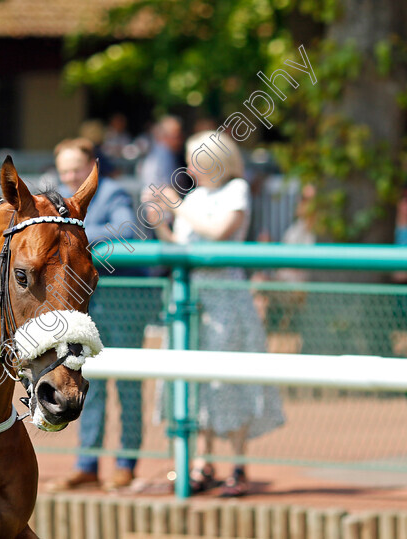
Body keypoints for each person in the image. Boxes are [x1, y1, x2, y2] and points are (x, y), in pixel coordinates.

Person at [152, 131, 285, 497]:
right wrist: (159, 222)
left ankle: (238, 464)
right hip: (191, 294)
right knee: (196, 382)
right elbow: (183, 246)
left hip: (226, 296)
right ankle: (202, 462)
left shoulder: (235, 190)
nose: (192, 166)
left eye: (198, 158)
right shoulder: (194, 197)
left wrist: (176, 207)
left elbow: (221, 234)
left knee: (230, 378)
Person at [44, 138, 146, 492]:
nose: (70, 175)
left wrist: (73, 237)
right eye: (64, 169)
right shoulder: (55, 197)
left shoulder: (112, 192)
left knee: (129, 386)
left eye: (76, 167)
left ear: (91, 167)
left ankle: (126, 464)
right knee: (87, 381)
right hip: (83, 308)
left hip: (122, 303)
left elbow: (127, 230)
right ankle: (87, 463)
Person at [137, 115, 185, 191]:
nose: (180, 139)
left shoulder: (159, 152)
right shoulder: (164, 154)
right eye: (176, 136)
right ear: (165, 136)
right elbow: (169, 186)